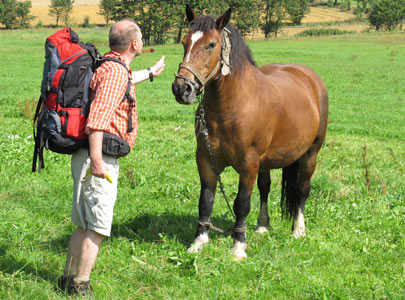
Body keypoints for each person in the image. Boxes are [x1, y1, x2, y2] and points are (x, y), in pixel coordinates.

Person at [57, 19, 165, 296]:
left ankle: (67, 279)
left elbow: (125, 79)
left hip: (87, 155)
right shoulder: (116, 73)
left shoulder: (110, 65)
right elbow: (97, 120)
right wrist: (97, 161)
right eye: (140, 38)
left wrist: (151, 72)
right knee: (98, 227)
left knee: (83, 224)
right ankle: (80, 284)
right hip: (99, 157)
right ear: (135, 44)